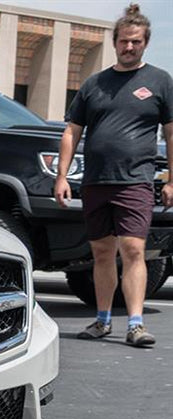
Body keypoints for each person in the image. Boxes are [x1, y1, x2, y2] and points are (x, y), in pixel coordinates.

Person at [55, 3, 173, 347]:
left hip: (135, 180)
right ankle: (102, 320)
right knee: (102, 253)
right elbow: (71, 132)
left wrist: (171, 179)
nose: (129, 47)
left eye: (136, 42)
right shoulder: (95, 84)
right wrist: (62, 177)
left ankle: (135, 324)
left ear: (145, 43)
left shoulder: (160, 82)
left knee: (134, 249)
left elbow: (170, 132)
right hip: (95, 182)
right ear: (115, 42)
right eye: (124, 41)